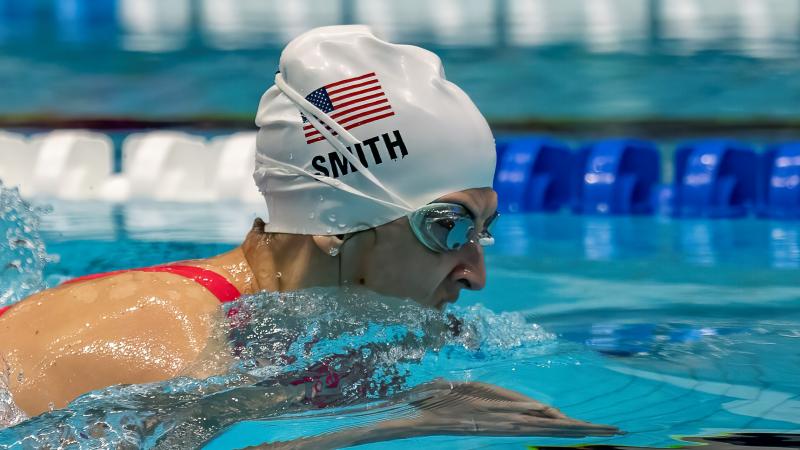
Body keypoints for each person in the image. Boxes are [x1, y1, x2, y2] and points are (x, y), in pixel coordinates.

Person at [0, 25, 619, 441]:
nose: (476, 275)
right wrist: (407, 418)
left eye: (481, 231)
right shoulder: (165, 334)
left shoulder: (274, 319)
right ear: (332, 223)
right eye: (446, 226)